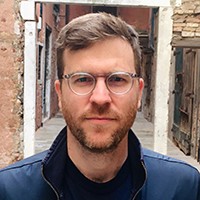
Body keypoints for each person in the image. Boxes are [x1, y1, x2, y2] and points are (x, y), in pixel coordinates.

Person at [0, 12, 199, 200]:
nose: (100, 98)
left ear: (138, 92)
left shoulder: (184, 188)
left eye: (118, 79)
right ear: (60, 93)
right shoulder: (10, 191)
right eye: (83, 79)